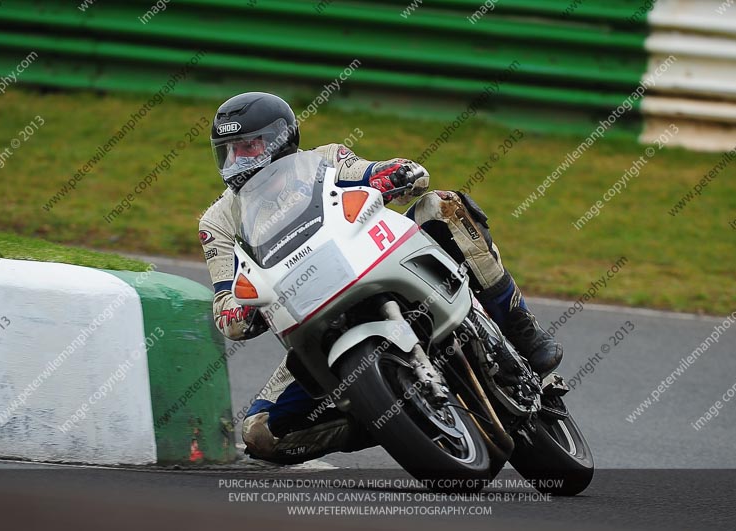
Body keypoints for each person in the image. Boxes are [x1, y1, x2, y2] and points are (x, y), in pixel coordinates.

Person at [199, 92, 562, 464]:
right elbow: (225, 305)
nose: (238, 160)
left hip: (371, 266)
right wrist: (246, 309)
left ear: (280, 138)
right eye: (229, 151)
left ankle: (520, 328)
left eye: (249, 146)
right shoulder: (217, 222)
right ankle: (386, 419)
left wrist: (396, 173)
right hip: (314, 320)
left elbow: (372, 171)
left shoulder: (326, 159)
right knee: (259, 433)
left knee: (442, 206)